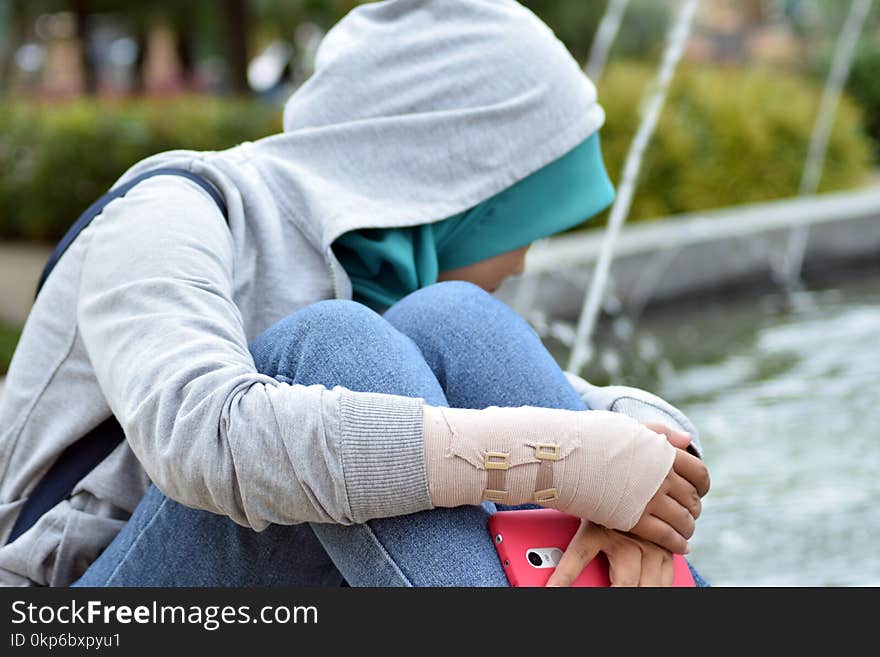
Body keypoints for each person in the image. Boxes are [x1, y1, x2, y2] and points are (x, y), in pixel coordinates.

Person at [0, 0, 709, 588]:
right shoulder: (171, 214)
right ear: (463, 188)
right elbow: (205, 439)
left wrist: (644, 458)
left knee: (454, 320)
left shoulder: (390, 282)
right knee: (333, 344)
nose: (524, 258)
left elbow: (565, 407)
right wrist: (553, 460)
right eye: (525, 216)